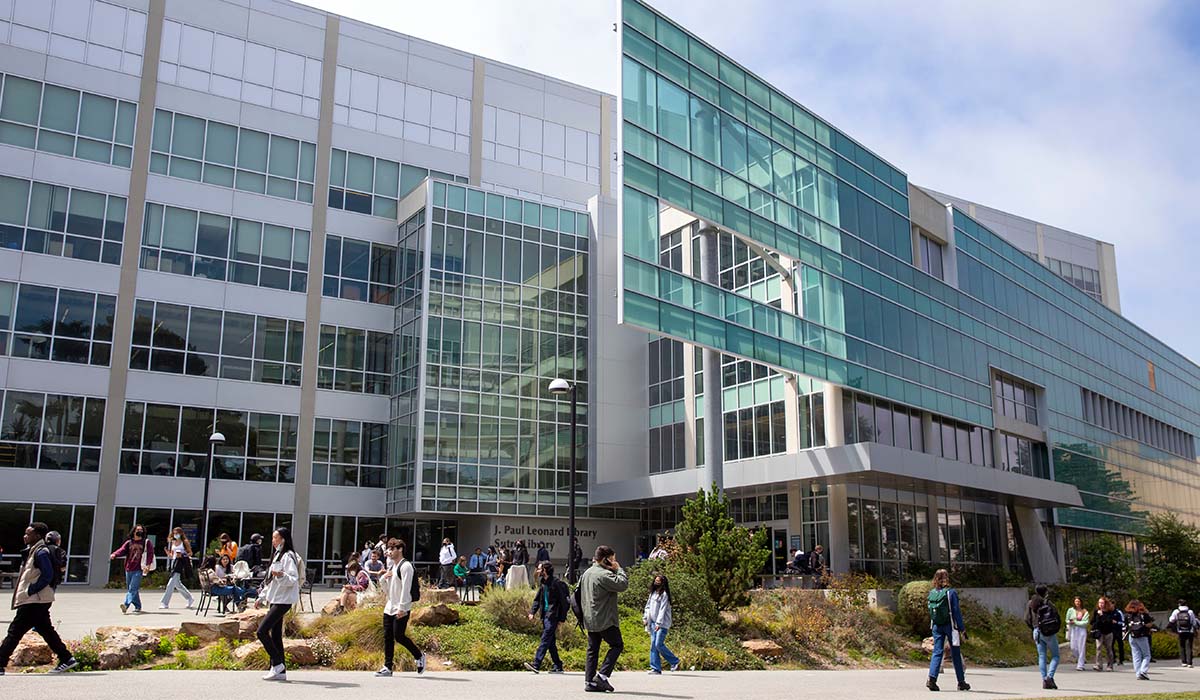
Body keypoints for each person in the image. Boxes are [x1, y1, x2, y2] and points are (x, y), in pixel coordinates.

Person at [0, 522, 78, 675]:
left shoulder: (40, 552)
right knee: (46, 630)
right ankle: (67, 658)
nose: (25, 536)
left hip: (35, 599)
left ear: (37, 536)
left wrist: (30, 590)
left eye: (28, 533)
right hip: (38, 599)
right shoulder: (34, 551)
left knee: (14, 632)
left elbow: (47, 575)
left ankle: (0, 662)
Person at [580, 544, 628, 693]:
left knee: (593, 649)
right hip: (605, 618)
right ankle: (602, 676)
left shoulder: (587, 573)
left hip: (589, 617)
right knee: (617, 645)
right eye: (612, 559)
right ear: (606, 559)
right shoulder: (603, 574)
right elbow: (622, 584)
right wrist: (618, 569)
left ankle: (590, 681)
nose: (614, 561)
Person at [375, 538, 425, 677]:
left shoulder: (406, 566)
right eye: (389, 549)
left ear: (400, 549)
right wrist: (383, 578)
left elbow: (406, 589)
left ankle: (419, 656)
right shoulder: (392, 567)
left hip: (401, 607)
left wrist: (402, 608)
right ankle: (388, 667)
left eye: (392, 549)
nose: (389, 552)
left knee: (399, 636)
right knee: (387, 637)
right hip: (389, 606)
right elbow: (387, 590)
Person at [257, 527, 301, 681]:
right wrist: (261, 597)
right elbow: (270, 581)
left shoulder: (288, 556)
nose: (273, 541)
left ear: (283, 539)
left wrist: (281, 575)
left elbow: (292, 579)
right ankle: (280, 671)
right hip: (276, 598)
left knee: (261, 632)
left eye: (275, 538)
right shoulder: (277, 555)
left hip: (283, 600)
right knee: (275, 635)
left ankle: (277, 663)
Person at [926, 568, 969, 692]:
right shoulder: (951, 593)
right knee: (955, 652)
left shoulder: (932, 593)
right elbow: (956, 612)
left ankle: (932, 679)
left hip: (936, 625)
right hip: (950, 626)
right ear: (947, 578)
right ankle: (961, 682)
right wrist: (962, 628)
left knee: (937, 651)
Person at [523, 561, 568, 674]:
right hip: (545, 615)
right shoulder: (543, 584)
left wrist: (562, 619)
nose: (537, 571)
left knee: (545, 638)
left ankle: (536, 664)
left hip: (553, 615)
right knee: (550, 641)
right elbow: (537, 600)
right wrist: (532, 612)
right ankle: (558, 665)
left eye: (539, 569)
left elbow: (564, 603)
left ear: (545, 570)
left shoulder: (556, 583)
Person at [110, 524, 155, 614]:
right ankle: (138, 606)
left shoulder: (146, 542)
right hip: (129, 568)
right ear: (134, 531)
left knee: (133, 588)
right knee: (131, 588)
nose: (139, 531)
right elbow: (122, 550)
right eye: (138, 530)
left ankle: (126, 605)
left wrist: (148, 565)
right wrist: (114, 554)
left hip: (139, 568)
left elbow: (150, 554)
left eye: (141, 530)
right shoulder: (129, 542)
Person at [643, 573, 680, 675]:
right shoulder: (653, 593)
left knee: (658, 644)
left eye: (659, 581)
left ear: (663, 583)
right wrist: (645, 618)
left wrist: (659, 623)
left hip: (662, 624)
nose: (656, 582)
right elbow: (648, 606)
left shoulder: (664, 595)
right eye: (656, 580)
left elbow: (662, 610)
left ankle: (674, 661)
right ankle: (655, 668)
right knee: (653, 646)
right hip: (652, 622)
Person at [1026, 584, 1061, 689]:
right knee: (1055, 655)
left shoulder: (1031, 603)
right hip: (1048, 631)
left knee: (1042, 656)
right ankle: (1050, 677)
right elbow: (1056, 616)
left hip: (1037, 631)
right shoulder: (1048, 603)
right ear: (1045, 592)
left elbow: (1026, 618)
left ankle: (1044, 679)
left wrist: (1033, 627)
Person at [159, 526, 195, 609]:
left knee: (170, 584)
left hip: (181, 563)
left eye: (177, 533)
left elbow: (190, 553)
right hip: (174, 563)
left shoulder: (184, 542)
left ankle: (164, 602)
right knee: (177, 584)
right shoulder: (173, 542)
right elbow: (172, 555)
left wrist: (182, 554)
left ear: (181, 533)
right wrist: (169, 554)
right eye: (174, 533)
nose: (176, 535)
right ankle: (189, 598)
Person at [1124, 599, 1156, 680]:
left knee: (1136, 655)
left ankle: (1138, 673)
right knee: (1146, 655)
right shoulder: (1143, 614)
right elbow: (1149, 624)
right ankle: (1143, 671)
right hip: (1142, 636)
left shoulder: (1128, 614)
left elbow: (1125, 626)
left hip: (1132, 635)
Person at [1168, 599, 1196, 667]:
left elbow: (1171, 620)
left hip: (1180, 631)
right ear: (1186, 604)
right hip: (1190, 631)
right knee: (1189, 646)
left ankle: (1184, 662)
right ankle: (1190, 663)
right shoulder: (1190, 612)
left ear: (1179, 604)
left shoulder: (1176, 611)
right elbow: (1193, 622)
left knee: (1182, 646)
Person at [1092, 596, 1118, 671]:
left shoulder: (1109, 611)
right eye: (1099, 603)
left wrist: (1102, 615)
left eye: (1102, 603)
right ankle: (1098, 665)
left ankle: (1110, 665)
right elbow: (1092, 621)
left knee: (1109, 649)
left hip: (1108, 632)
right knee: (1098, 648)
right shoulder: (1096, 611)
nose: (1101, 604)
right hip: (1099, 632)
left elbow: (1109, 621)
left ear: (1105, 603)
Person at [1066, 596, 1090, 671]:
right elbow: (1066, 619)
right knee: (1073, 647)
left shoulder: (1085, 611)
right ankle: (1081, 658)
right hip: (1073, 629)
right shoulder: (1070, 610)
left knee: (1081, 647)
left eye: (1078, 601)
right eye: (1076, 601)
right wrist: (1070, 622)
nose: (1077, 603)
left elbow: (1085, 622)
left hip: (1081, 630)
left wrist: (1076, 622)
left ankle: (1080, 665)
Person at [1110, 598, 1127, 666]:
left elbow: (1123, 622)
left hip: (1118, 631)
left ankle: (1121, 659)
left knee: (1120, 645)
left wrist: (1116, 622)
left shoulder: (1118, 612)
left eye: (1111, 604)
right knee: (1111, 645)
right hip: (1111, 631)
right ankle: (1113, 658)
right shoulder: (1108, 612)